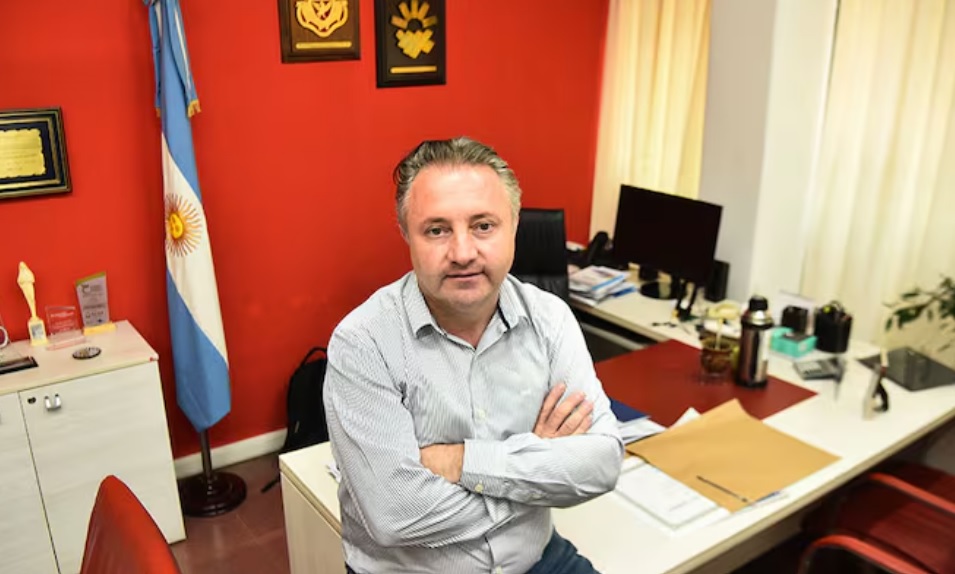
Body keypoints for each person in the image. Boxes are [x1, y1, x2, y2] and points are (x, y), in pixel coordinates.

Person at [323, 137, 624, 574]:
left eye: (483, 226)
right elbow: (394, 516)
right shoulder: (362, 342)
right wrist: (538, 465)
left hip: (541, 560)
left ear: (514, 225)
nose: (463, 253)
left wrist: (459, 461)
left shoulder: (550, 318)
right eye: (437, 230)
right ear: (406, 234)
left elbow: (602, 463)